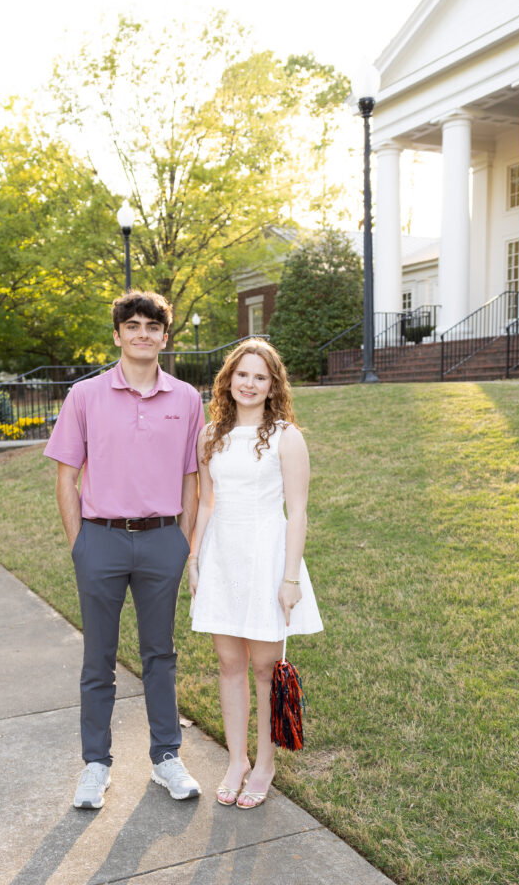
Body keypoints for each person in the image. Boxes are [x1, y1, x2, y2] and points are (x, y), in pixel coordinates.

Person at [44, 290, 204, 809]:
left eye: (151, 326)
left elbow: (191, 479)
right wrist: (80, 545)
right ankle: (96, 764)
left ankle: (166, 758)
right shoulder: (84, 396)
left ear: (164, 336)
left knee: (160, 654)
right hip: (101, 540)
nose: (141, 333)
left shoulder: (186, 399)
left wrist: (181, 541)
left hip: (162, 542)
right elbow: (66, 478)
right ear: (117, 334)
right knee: (99, 658)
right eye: (131, 325)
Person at [189, 339, 323, 809]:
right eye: (242, 374)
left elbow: (299, 511)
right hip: (222, 555)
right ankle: (237, 759)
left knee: (265, 668)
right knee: (230, 664)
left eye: (259, 377)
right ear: (229, 379)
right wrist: (194, 558)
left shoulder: (287, 436)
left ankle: (265, 762)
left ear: (272, 386)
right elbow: (207, 502)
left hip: (268, 558)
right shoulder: (210, 436)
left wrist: (290, 579)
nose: (249, 383)